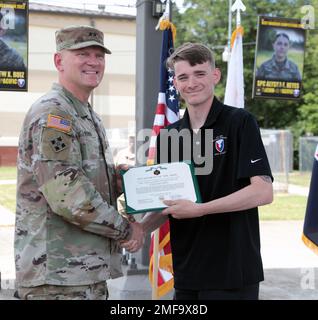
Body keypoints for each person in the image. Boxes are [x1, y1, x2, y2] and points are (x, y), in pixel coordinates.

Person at [134, 42, 274, 300]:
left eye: (199, 73)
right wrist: (142, 228)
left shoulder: (240, 122)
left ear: (215, 75)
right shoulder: (169, 135)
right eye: (183, 77)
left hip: (232, 272)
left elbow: (263, 192)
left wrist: (200, 209)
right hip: (187, 272)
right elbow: (168, 202)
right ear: (175, 83)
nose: (191, 83)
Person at [14, 25, 144, 300]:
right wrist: (124, 229)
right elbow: (69, 196)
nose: (94, 62)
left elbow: (90, 178)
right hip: (56, 277)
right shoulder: (54, 113)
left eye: (99, 55)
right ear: (59, 61)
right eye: (83, 54)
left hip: (81, 272)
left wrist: (137, 182)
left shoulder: (84, 114)